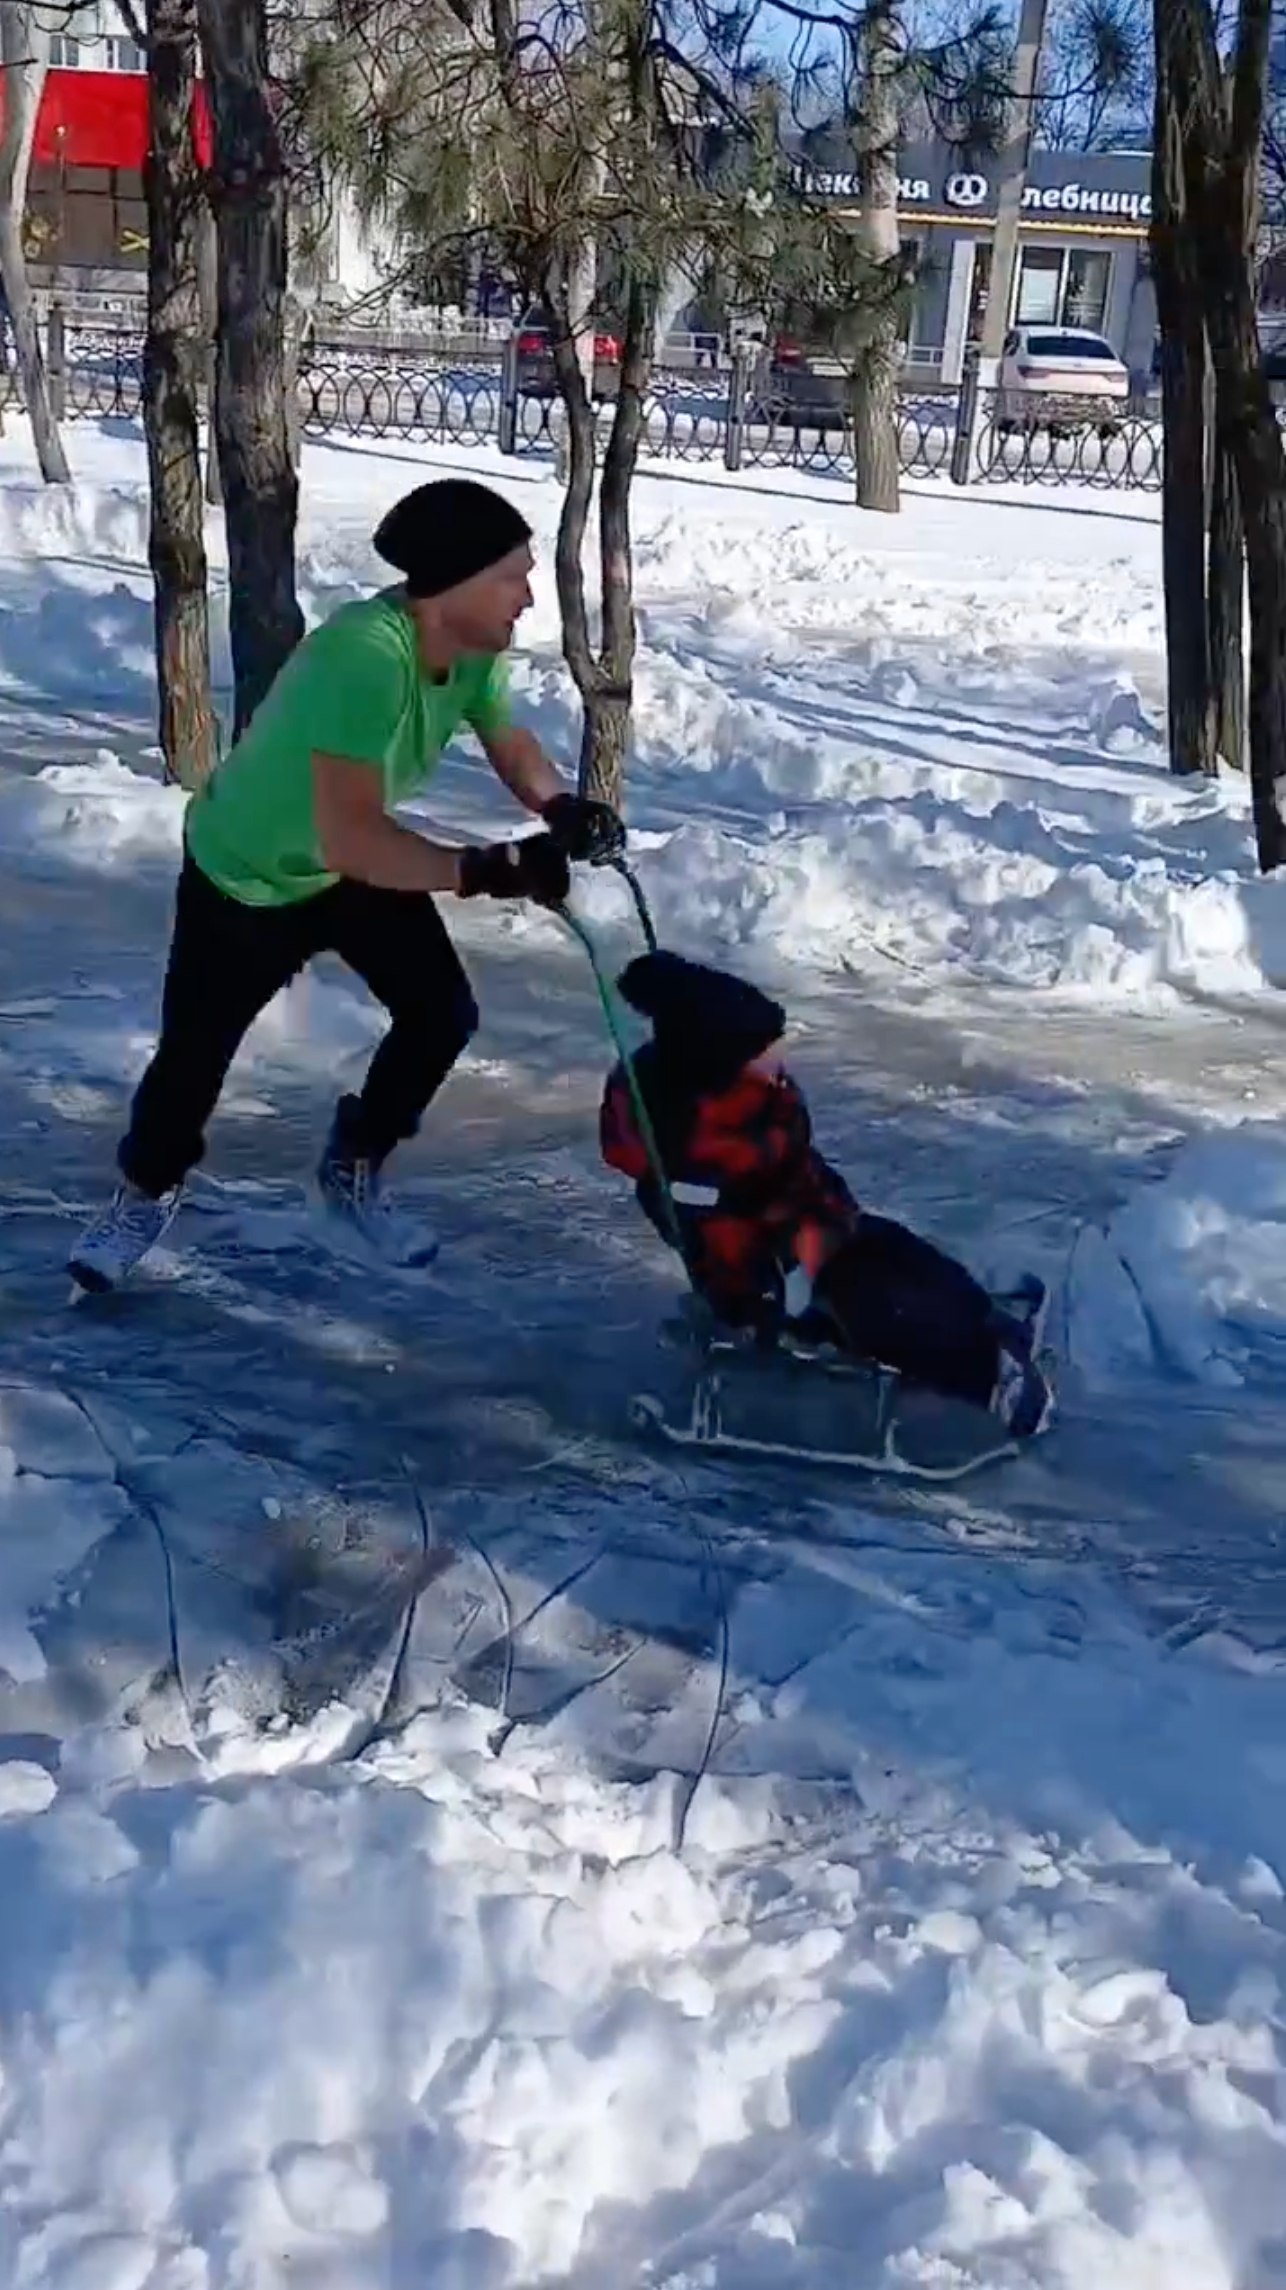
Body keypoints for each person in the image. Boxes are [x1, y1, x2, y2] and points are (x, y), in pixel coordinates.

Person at [70, 477, 624, 1293]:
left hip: (344, 868)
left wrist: (559, 804)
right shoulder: (361, 658)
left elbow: (506, 737)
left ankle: (351, 1166)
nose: (528, 595)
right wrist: (487, 869)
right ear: (453, 584)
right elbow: (357, 838)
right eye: (512, 576)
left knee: (441, 1014)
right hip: (246, 876)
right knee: (193, 1062)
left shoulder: (470, 649)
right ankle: (143, 1195)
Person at [599, 951, 1051, 1438]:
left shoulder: (758, 1103)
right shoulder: (698, 1141)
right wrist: (787, 1270)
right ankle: (982, 1379)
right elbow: (727, 1227)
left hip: (816, 1227)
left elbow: (793, 1173)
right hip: (773, 1270)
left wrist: (824, 1219)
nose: (780, 1056)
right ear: (724, 1061)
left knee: (904, 1254)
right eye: (765, 1050)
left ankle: (984, 1324)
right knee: (885, 1306)